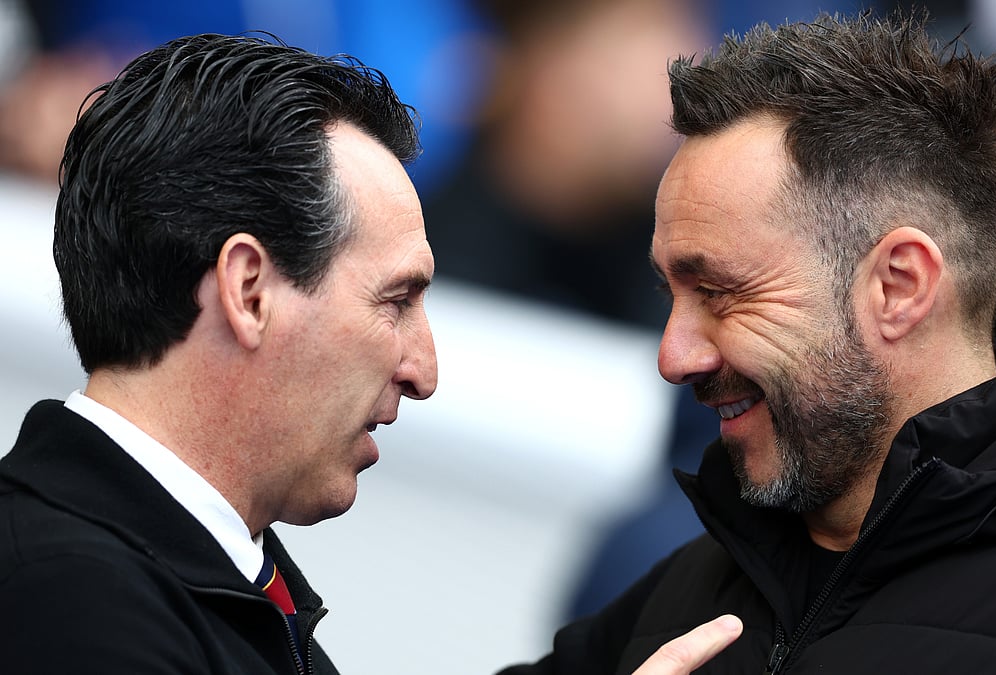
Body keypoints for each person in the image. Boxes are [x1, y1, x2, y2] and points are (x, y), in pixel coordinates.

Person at [0, 33, 740, 674]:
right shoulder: (71, 600)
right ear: (249, 289)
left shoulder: (171, 576)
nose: (424, 370)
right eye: (394, 301)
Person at [498, 11, 996, 675]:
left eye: (719, 292)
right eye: (669, 295)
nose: (674, 356)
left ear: (899, 285)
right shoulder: (678, 592)